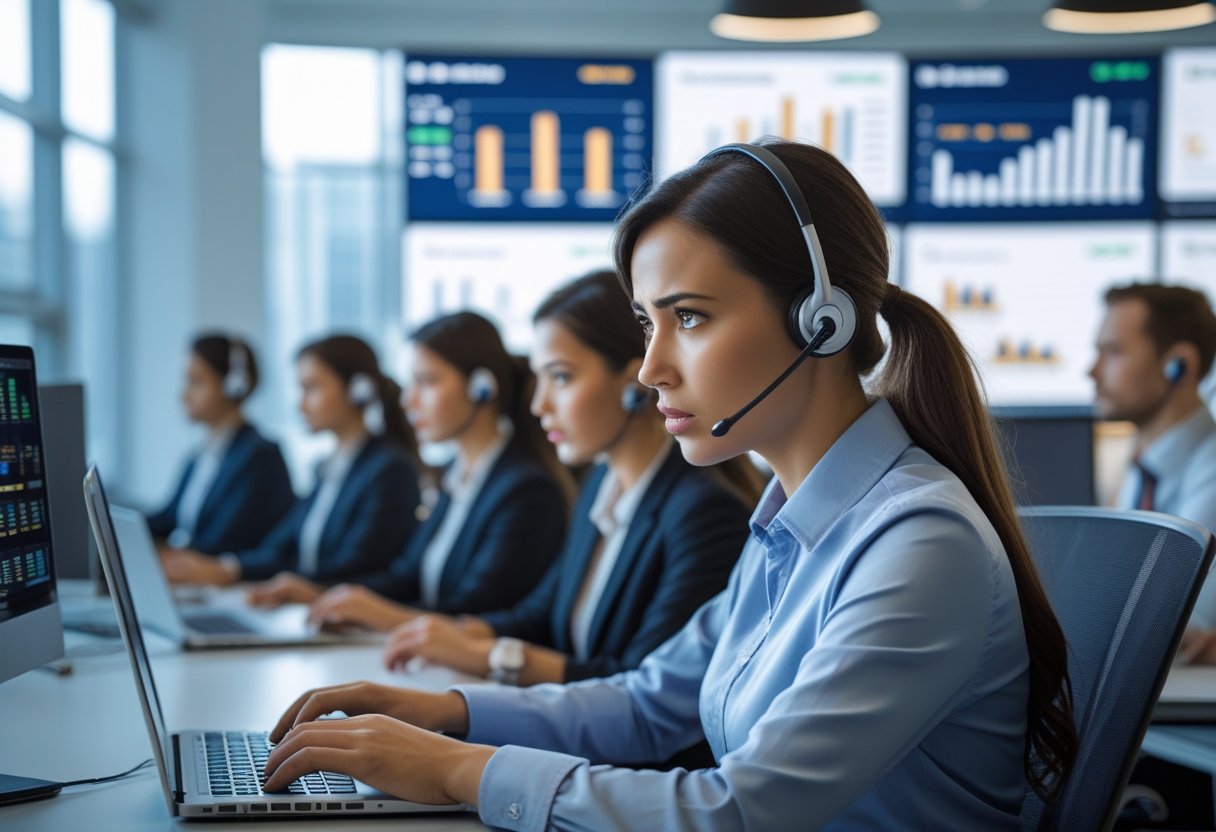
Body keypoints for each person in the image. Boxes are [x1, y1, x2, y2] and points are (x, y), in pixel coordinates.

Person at [260, 141, 1077, 830]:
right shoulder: (792, 528)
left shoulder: (917, 543)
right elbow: (649, 705)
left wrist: (455, 772)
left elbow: (738, 810)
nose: (650, 369)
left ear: (817, 321)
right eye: (649, 324)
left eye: (689, 318)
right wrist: (450, 715)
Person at [380, 271, 764, 687]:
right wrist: (452, 635)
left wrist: (492, 657)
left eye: (560, 377)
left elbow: (641, 690)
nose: (538, 404)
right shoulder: (601, 484)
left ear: (635, 383)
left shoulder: (703, 513)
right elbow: (539, 614)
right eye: (540, 377)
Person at [248, 312, 571, 631]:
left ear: (481, 389)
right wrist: (333, 598)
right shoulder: (456, 476)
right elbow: (406, 576)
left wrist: (383, 617)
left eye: (427, 382)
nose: (408, 400)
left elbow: (476, 609)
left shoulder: (526, 490)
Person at [161, 335, 422, 586]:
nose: (300, 404)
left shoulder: (389, 469)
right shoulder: (327, 468)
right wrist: (229, 569)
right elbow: (280, 547)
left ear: (358, 391)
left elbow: (355, 565)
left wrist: (297, 586)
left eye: (311, 388)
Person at [1089, 283, 1216, 662]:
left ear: (1179, 364)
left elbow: (1168, 629)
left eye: (1113, 352)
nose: (1091, 371)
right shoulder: (1140, 472)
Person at [148, 333, 294, 556]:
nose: (184, 395)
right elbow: (168, 519)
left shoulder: (260, 456)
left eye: (196, 382)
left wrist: (168, 556)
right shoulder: (198, 456)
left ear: (232, 386)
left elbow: (224, 542)